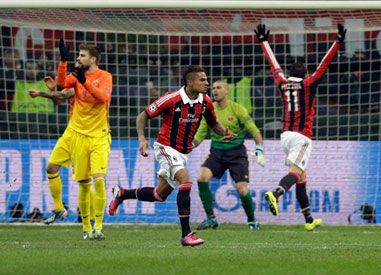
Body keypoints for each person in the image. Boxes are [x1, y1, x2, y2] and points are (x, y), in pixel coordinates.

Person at [108, 65, 236, 247]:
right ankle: (186, 234)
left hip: (183, 153)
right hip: (166, 148)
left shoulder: (205, 101)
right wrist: (142, 138)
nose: (207, 83)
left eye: (206, 79)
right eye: (202, 80)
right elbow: (142, 116)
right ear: (190, 82)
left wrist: (224, 133)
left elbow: (213, 124)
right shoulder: (172, 99)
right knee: (186, 182)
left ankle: (121, 194)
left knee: (158, 195)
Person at [254, 23, 346, 231]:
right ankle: (275, 193)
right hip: (302, 136)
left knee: (302, 177)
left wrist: (264, 41)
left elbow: (274, 65)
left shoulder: (282, 83)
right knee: (296, 173)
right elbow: (324, 64)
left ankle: (309, 220)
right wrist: (338, 42)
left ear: (290, 73)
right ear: (305, 75)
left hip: (285, 135)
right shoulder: (308, 84)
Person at [56, 38, 113, 240]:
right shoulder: (75, 74)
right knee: (83, 183)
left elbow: (103, 97)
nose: (78, 58)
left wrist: (84, 81)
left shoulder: (105, 76)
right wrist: (63, 61)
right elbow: (61, 84)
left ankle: (98, 226)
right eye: (78, 55)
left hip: (99, 136)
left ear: (93, 59)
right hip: (79, 136)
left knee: (99, 181)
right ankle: (86, 228)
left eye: (82, 55)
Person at [192, 80, 264, 230]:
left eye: (218, 88)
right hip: (217, 153)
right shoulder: (209, 111)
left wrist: (259, 148)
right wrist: (191, 145)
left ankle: (252, 221)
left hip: (236, 153)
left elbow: (254, 129)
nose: (215, 91)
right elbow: (201, 133)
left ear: (227, 91)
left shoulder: (237, 109)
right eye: (213, 88)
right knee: (201, 177)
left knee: (242, 189)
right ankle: (211, 218)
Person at [28, 76, 96, 226]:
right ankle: (59, 209)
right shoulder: (76, 81)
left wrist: (40, 93)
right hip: (69, 133)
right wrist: (53, 90)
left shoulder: (93, 82)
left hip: (84, 135)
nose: (79, 60)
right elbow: (59, 100)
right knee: (51, 168)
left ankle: (93, 216)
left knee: (82, 179)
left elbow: (64, 95)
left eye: (82, 57)